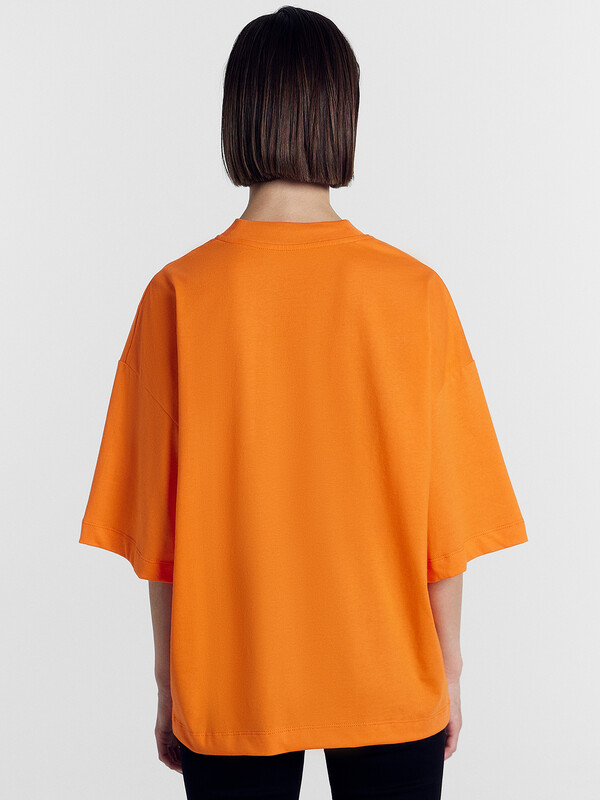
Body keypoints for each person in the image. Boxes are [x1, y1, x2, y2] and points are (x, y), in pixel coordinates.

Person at [79, 6, 528, 799]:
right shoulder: (415, 293)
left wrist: (168, 682)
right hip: (390, 674)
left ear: (238, 116)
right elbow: (446, 532)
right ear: (341, 115)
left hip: (233, 680)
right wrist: (450, 669)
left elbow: (162, 531)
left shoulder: (179, 294)